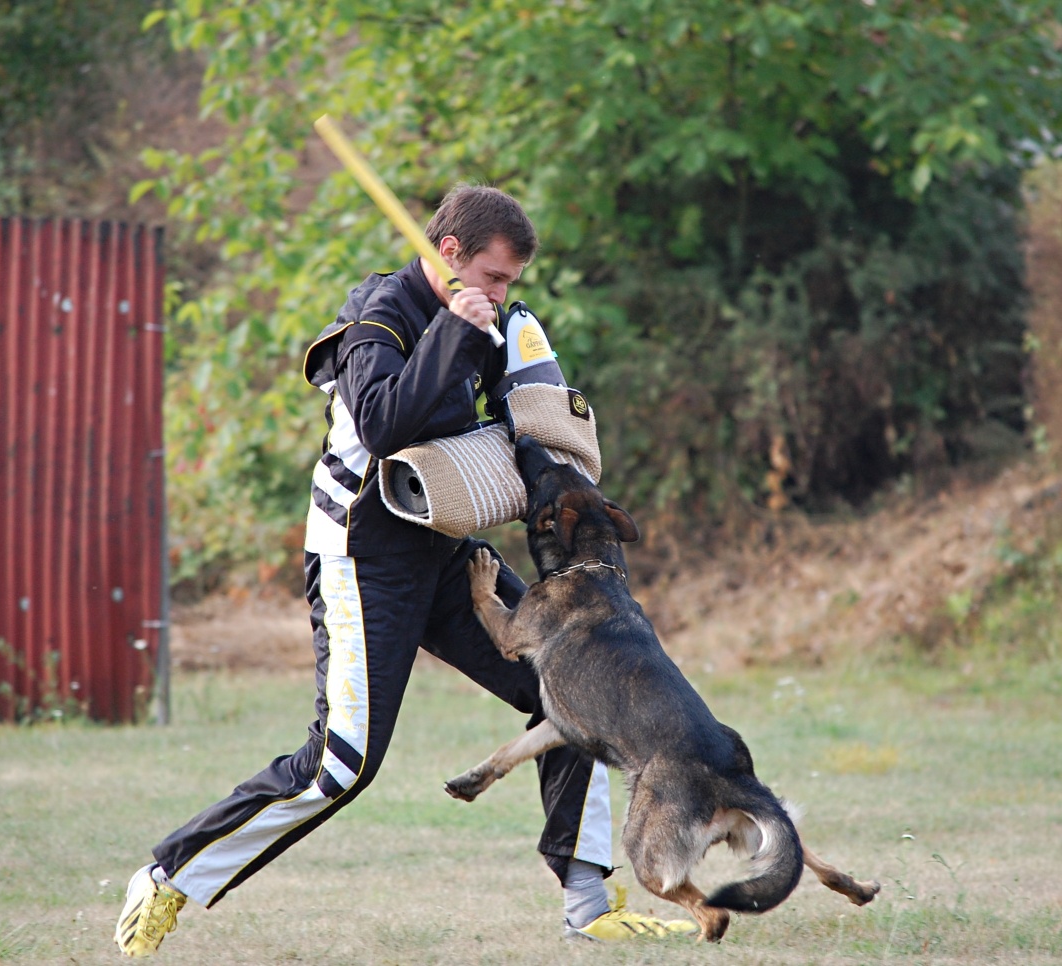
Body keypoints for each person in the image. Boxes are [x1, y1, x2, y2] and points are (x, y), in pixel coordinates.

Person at [114, 184, 696, 957]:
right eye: (493, 278)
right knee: (341, 764)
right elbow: (386, 422)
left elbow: (519, 421)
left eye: (510, 284)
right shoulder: (375, 321)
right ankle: (169, 877)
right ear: (449, 254)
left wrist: (528, 373)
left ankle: (589, 903)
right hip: (363, 559)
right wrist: (456, 332)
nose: (500, 295)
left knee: (577, 688)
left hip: (449, 555)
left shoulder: (488, 317)